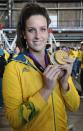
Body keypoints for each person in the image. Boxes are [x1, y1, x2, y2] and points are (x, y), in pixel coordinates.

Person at [2, 3, 80, 131]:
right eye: (31, 30)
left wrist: (65, 83)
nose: (38, 36)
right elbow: (14, 120)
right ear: (23, 34)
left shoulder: (58, 62)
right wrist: (46, 90)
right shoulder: (13, 68)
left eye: (43, 29)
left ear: (48, 32)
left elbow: (75, 106)